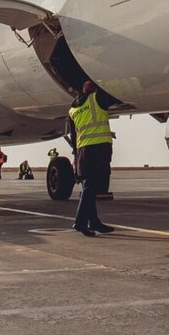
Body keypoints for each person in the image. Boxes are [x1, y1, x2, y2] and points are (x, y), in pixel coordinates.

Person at [66, 81, 117, 236]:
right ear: (94, 90)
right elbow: (113, 91)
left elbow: (73, 137)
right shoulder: (97, 99)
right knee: (92, 188)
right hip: (98, 149)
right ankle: (80, 222)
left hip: (82, 151)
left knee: (89, 186)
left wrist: (75, 157)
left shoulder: (73, 110)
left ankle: (93, 221)